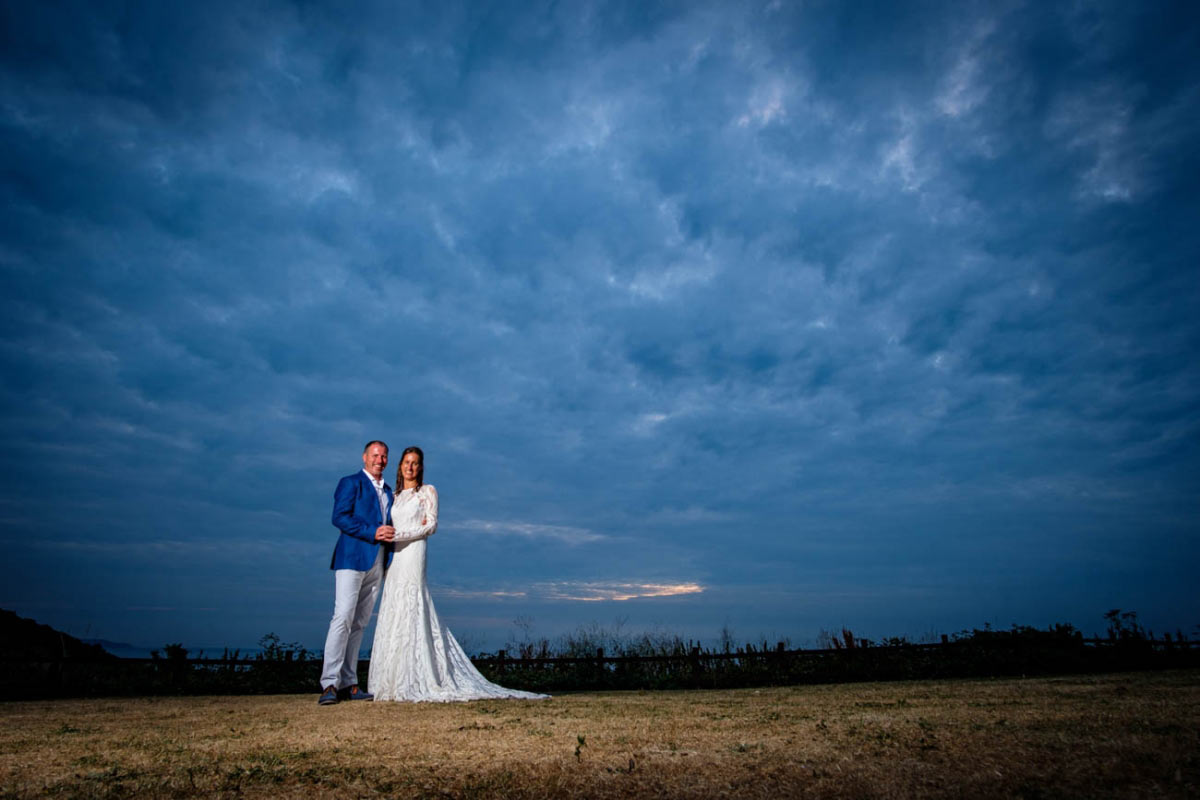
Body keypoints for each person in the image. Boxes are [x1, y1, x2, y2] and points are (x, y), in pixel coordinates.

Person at [368, 446, 548, 702]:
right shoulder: (394, 495)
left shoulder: (428, 491)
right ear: (400, 466)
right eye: (407, 462)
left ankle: (422, 675)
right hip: (395, 558)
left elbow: (431, 525)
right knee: (394, 605)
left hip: (415, 552)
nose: (410, 467)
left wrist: (402, 534)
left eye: (416, 463)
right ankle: (392, 676)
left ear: (421, 467)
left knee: (414, 601)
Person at [318, 440, 395, 705]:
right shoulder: (350, 482)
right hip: (351, 559)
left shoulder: (388, 491)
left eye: (384, 456)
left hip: (378, 561)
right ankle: (329, 683)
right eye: (375, 455)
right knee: (342, 618)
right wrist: (372, 532)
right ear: (364, 457)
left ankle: (349, 683)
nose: (380, 460)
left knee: (360, 623)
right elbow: (339, 517)